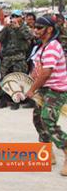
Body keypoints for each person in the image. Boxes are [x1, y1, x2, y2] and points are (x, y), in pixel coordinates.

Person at [25, 15, 67, 176]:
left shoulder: (52, 47)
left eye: (39, 27)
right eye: (35, 27)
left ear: (49, 29)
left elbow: (46, 73)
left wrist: (31, 89)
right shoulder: (42, 46)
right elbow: (37, 69)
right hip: (45, 89)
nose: (35, 30)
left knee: (47, 119)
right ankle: (47, 153)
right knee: (38, 119)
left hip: (56, 89)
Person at [0, 10, 33, 109]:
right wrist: (5, 27)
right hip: (7, 57)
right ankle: (4, 99)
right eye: (13, 16)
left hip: (19, 57)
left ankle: (16, 101)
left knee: (17, 79)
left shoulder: (25, 28)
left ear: (22, 18)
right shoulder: (8, 28)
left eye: (17, 16)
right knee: (5, 79)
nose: (14, 18)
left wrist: (18, 28)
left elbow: (30, 37)